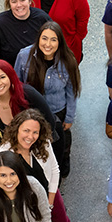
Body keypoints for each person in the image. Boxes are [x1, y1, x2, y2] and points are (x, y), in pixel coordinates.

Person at [0, 109, 87, 222]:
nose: (30, 136)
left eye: (35, 132)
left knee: (62, 219)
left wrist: (50, 201)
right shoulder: (4, 154)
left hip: (48, 192)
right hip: (22, 201)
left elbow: (54, 169)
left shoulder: (43, 143)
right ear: (16, 129)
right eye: (26, 130)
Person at [15, 21, 81, 177]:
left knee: (61, 143)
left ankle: (63, 162)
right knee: (35, 141)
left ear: (59, 42)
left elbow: (72, 91)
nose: (48, 44)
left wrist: (70, 117)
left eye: (53, 39)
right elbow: (16, 84)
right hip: (31, 111)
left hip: (58, 111)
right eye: (44, 38)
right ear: (38, 39)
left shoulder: (68, 60)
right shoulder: (24, 56)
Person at [0, 59, 64, 164]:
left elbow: (49, 122)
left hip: (45, 142)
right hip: (18, 150)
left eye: (2, 77)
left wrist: (31, 148)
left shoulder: (28, 94)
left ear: (10, 77)